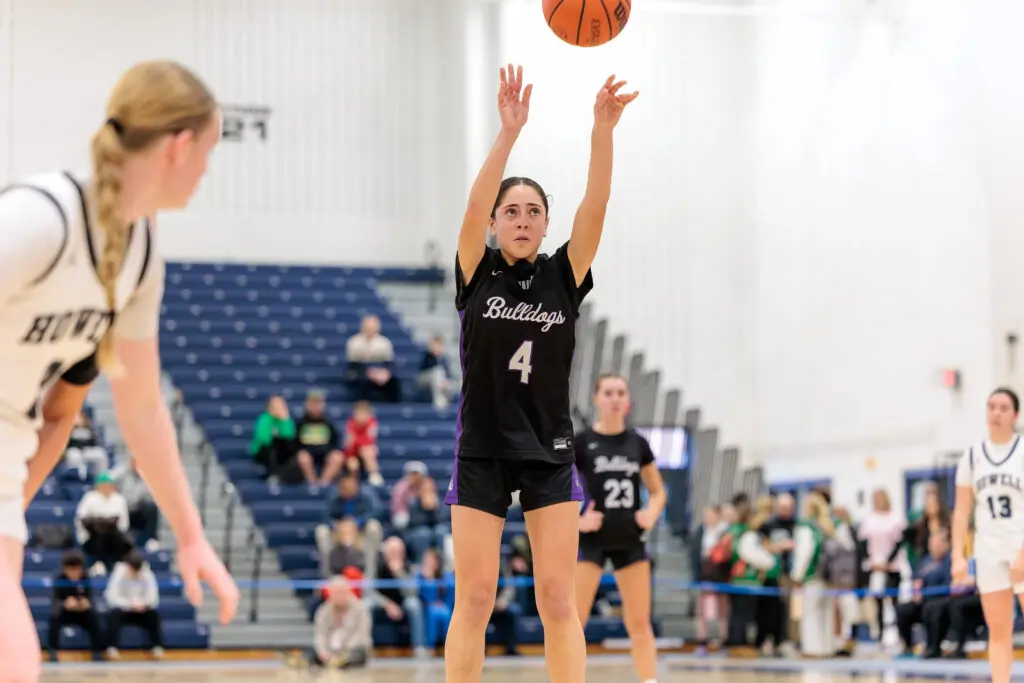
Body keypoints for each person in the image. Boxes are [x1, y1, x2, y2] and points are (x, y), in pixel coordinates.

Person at [1, 59, 239, 683]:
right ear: (180, 146)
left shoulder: (139, 256)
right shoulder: (40, 220)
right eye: (209, 152)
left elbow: (141, 409)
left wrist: (191, 535)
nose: (208, 172)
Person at [442, 63, 637, 683]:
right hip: (483, 450)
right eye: (512, 212)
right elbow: (472, 204)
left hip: (550, 451)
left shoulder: (563, 274)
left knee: (558, 600)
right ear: (496, 225)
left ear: (546, 224)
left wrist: (602, 130)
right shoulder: (478, 271)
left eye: (533, 211)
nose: (522, 220)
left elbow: (597, 205)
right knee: (473, 599)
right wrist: (508, 134)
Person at [574, 374, 666, 683]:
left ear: (627, 401)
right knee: (575, 620)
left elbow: (658, 491)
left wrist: (650, 515)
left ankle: (648, 679)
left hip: (629, 538)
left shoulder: (637, 442)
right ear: (596, 398)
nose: (614, 398)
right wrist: (578, 520)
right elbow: (557, 491)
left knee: (639, 623)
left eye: (620, 393)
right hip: (592, 539)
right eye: (608, 392)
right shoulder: (583, 442)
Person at [952, 387, 1024, 683]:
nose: (996, 412)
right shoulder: (971, 455)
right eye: (991, 406)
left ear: (1015, 415)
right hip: (989, 550)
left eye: (1003, 407)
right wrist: (958, 556)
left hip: (1020, 544)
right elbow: (961, 510)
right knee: (998, 629)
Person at [104, 549, 163, 659]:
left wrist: (143, 604)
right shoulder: (119, 572)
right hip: (124, 610)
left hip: (141, 610)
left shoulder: (147, 574)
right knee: (113, 615)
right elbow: (111, 597)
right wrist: (129, 604)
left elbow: (153, 598)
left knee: (153, 616)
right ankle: (112, 648)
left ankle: (157, 647)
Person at [47, 550, 105, 661]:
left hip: (82, 612)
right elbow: (55, 601)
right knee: (54, 619)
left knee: (94, 617)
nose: (74, 573)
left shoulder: (85, 578)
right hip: (65, 612)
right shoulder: (59, 579)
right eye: (71, 569)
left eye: (77, 569)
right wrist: (65, 603)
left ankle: (97, 652)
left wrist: (86, 603)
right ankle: (53, 651)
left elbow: (90, 598)